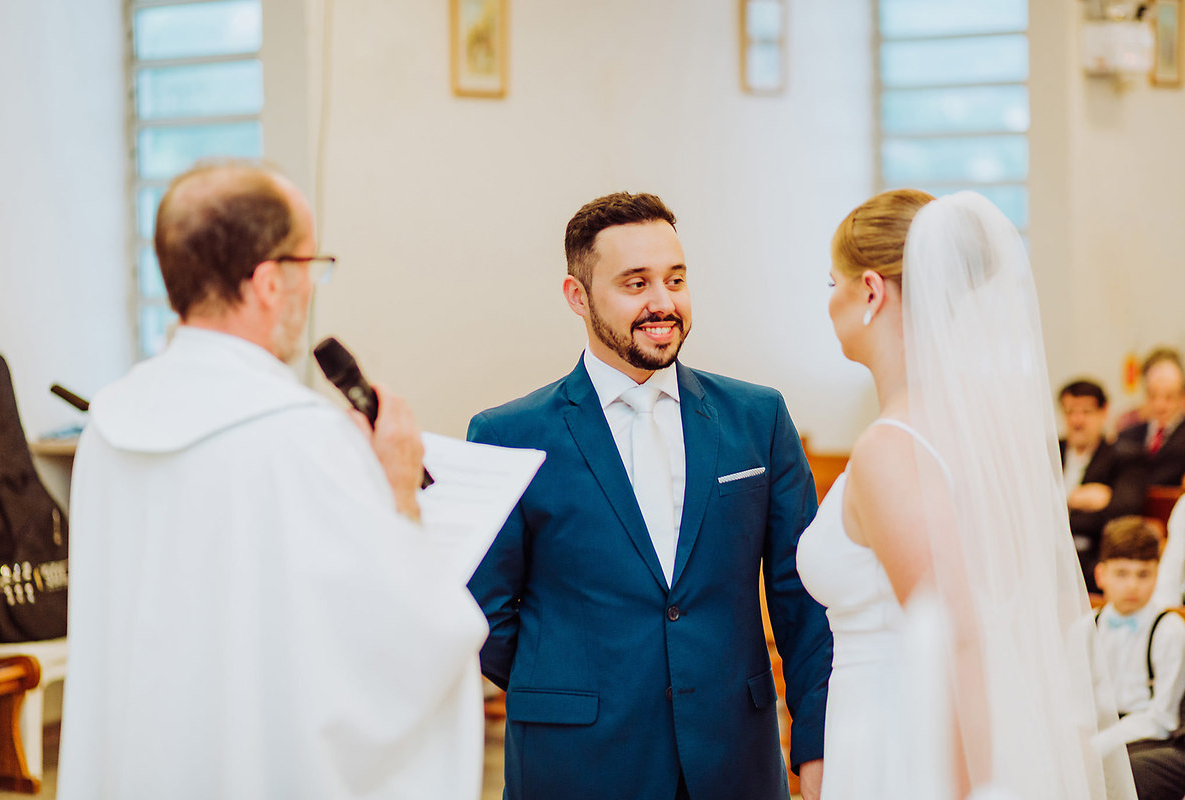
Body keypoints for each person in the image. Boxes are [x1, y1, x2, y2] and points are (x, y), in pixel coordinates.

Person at [56, 162, 488, 800]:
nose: (312, 285)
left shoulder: (111, 424)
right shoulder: (302, 439)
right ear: (267, 281)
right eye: (310, 264)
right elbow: (405, 643)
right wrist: (400, 489)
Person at [467, 192, 832, 800]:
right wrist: (569, 686)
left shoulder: (758, 418)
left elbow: (803, 595)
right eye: (636, 283)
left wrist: (816, 744)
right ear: (577, 296)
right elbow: (486, 609)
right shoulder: (508, 435)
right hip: (576, 763)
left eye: (676, 280)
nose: (663, 303)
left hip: (733, 760)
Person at [797, 188, 1136, 799]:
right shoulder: (982, 432)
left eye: (832, 285)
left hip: (907, 744)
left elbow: (957, 643)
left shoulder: (891, 448)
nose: (829, 304)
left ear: (871, 291)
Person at [1090, 517, 1185, 800]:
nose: (1132, 585)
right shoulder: (1086, 627)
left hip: (1151, 736)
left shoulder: (1168, 629)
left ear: (1157, 575)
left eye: (1143, 574)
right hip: (1099, 729)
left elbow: (1163, 718)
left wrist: (1099, 744)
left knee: (1124, 770)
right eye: (1121, 573)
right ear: (1101, 575)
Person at [1059, 380, 1148, 591]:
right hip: (1045, 553)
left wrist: (1060, 516)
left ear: (1103, 412)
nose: (1077, 420)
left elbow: (1121, 513)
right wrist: (1072, 497)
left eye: (1086, 412)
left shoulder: (1124, 457)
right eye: (1070, 412)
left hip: (1090, 557)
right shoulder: (1048, 452)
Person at [1118, 349, 1185, 487]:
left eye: (1168, 397)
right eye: (1153, 396)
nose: (1160, 405)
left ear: (1181, 397)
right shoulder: (1127, 436)